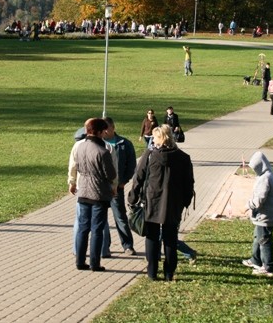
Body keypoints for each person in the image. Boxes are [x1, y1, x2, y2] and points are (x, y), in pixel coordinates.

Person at [128, 124, 194, 281]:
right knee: (170, 238)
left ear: (161, 138)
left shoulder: (150, 155)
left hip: (152, 202)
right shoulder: (183, 158)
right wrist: (185, 201)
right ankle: (169, 273)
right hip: (173, 204)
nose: (152, 140)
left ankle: (152, 272)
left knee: (152, 237)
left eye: (154, 137)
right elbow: (189, 183)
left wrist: (133, 197)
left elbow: (138, 178)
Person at [70, 118, 117, 272]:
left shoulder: (79, 147)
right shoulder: (103, 152)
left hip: (83, 191)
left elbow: (75, 165)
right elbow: (110, 174)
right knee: (97, 229)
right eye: (103, 130)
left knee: (83, 228)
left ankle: (80, 261)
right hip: (98, 193)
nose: (105, 132)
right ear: (96, 131)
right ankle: (95, 263)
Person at [241, 151, 273, 277]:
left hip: (265, 215)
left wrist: (247, 206)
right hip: (267, 214)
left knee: (264, 240)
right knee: (258, 237)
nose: (254, 171)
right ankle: (255, 260)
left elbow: (259, 200)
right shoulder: (269, 174)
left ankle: (268, 267)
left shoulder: (265, 178)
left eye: (255, 168)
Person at [103, 117, 137, 255]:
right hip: (100, 188)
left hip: (117, 188)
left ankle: (127, 245)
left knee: (120, 217)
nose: (104, 131)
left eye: (107, 128)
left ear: (113, 128)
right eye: (102, 129)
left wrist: (123, 182)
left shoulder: (124, 143)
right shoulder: (98, 144)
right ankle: (104, 247)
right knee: (101, 219)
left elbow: (132, 165)